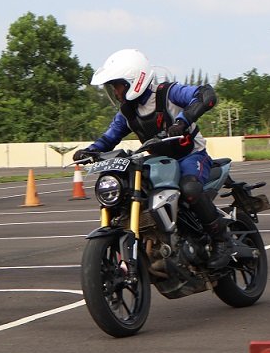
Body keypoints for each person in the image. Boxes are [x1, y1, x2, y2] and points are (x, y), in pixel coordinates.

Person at [72, 48, 234, 268]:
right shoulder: (127, 113)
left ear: (133, 81)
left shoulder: (168, 93)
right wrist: (90, 151)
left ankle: (222, 240)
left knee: (190, 189)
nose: (116, 92)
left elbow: (206, 95)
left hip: (191, 156)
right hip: (160, 163)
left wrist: (181, 122)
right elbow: (109, 137)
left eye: (118, 86)